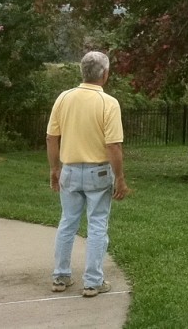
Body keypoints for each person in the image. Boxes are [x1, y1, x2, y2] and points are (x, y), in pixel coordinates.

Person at [46, 51, 130, 298]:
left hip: (69, 170)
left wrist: (54, 168)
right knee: (96, 226)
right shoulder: (108, 103)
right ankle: (93, 282)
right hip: (99, 172)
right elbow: (113, 145)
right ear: (105, 74)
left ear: (82, 72)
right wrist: (120, 178)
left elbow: (52, 137)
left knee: (67, 223)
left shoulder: (64, 98)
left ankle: (60, 276)